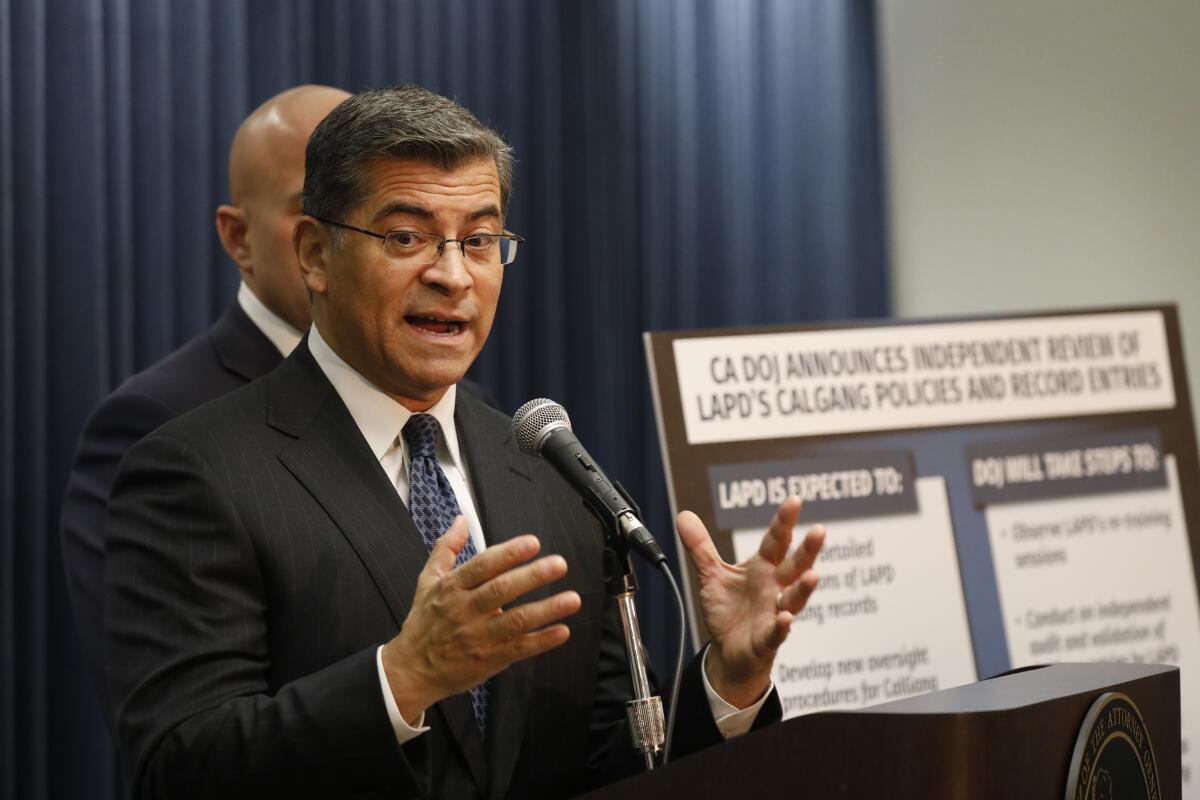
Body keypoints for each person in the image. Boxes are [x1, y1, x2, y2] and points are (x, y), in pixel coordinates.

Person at [103, 85, 826, 799]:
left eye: (480, 240)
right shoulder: (195, 471)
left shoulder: (549, 472)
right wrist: (401, 680)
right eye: (407, 237)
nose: (453, 276)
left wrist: (726, 684)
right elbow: (179, 766)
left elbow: (606, 763)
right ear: (316, 254)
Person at [60, 84, 350, 712]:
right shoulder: (154, 427)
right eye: (316, 208)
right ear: (238, 238)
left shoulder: (468, 412)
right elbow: (178, 727)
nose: (349, 237)